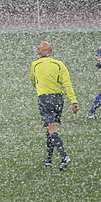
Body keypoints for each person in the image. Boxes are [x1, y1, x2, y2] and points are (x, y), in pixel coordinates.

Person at [30, 41, 79, 170]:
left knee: (51, 129)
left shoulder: (35, 65)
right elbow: (67, 83)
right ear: (51, 51)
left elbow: (33, 81)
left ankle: (64, 156)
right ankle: (49, 159)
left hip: (44, 98)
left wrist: (41, 87)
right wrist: (73, 101)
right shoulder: (59, 64)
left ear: (39, 52)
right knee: (50, 129)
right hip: (58, 98)